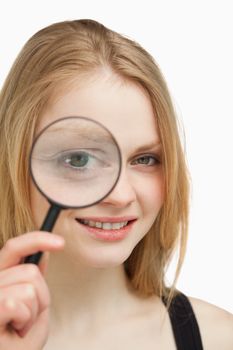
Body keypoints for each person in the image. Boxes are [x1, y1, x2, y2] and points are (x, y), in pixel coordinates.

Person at [0, 19, 232, 350]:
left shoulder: (219, 338)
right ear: (14, 161)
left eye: (146, 159)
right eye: (79, 159)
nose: (120, 195)